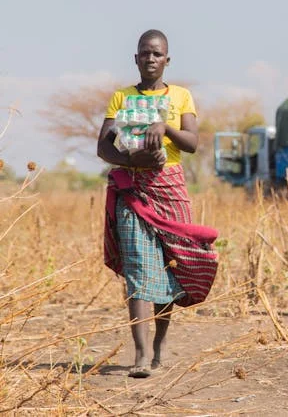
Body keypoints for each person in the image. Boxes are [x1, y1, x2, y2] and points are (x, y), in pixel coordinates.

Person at [97, 30, 219, 379]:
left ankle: (161, 341)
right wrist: (131, 158)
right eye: (144, 54)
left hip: (169, 188)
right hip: (131, 189)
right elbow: (103, 148)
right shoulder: (121, 97)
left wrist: (164, 127)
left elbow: (193, 143)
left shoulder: (181, 96)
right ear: (135, 59)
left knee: (170, 266)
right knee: (137, 267)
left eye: (157, 54)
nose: (151, 59)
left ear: (168, 60)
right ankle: (140, 353)